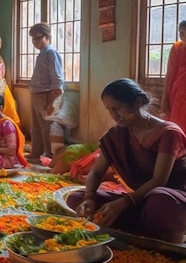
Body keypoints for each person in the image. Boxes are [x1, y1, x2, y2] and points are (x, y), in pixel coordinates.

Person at [67, 78, 186, 243]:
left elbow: (159, 180)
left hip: (170, 198)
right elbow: (97, 171)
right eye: (109, 110)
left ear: (137, 102)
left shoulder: (167, 134)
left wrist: (124, 202)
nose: (114, 115)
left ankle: (149, 224)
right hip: (137, 200)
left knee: (159, 203)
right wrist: (89, 197)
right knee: (76, 198)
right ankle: (142, 225)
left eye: (117, 108)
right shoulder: (117, 134)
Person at [27, 22, 64, 161]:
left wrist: (53, 101)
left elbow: (58, 78)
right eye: (33, 39)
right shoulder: (42, 53)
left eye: (37, 38)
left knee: (47, 127)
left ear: (47, 36)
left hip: (46, 94)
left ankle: (49, 155)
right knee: (36, 127)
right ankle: (36, 153)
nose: (34, 42)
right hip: (36, 94)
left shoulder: (51, 52)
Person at [162, 20, 186, 130]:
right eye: (181, 33)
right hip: (177, 96)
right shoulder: (177, 48)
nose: (182, 36)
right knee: (178, 127)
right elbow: (170, 74)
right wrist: (165, 98)